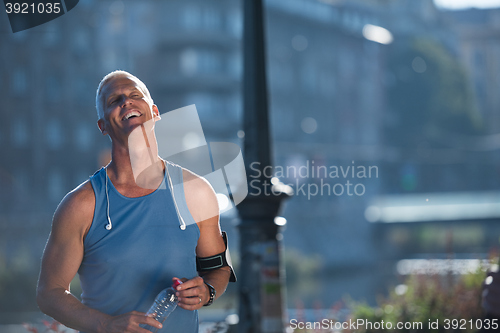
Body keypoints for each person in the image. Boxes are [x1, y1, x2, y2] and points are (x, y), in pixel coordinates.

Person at [36, 70, 235, 333]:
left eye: (134, 95)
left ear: (154, 111)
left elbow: (218, 268)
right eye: (114, 101)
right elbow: (49, 293)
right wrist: (106, 324)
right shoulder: (81, 205)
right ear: (103, 126)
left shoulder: (196, 191)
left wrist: (207, 291)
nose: (126, 102)